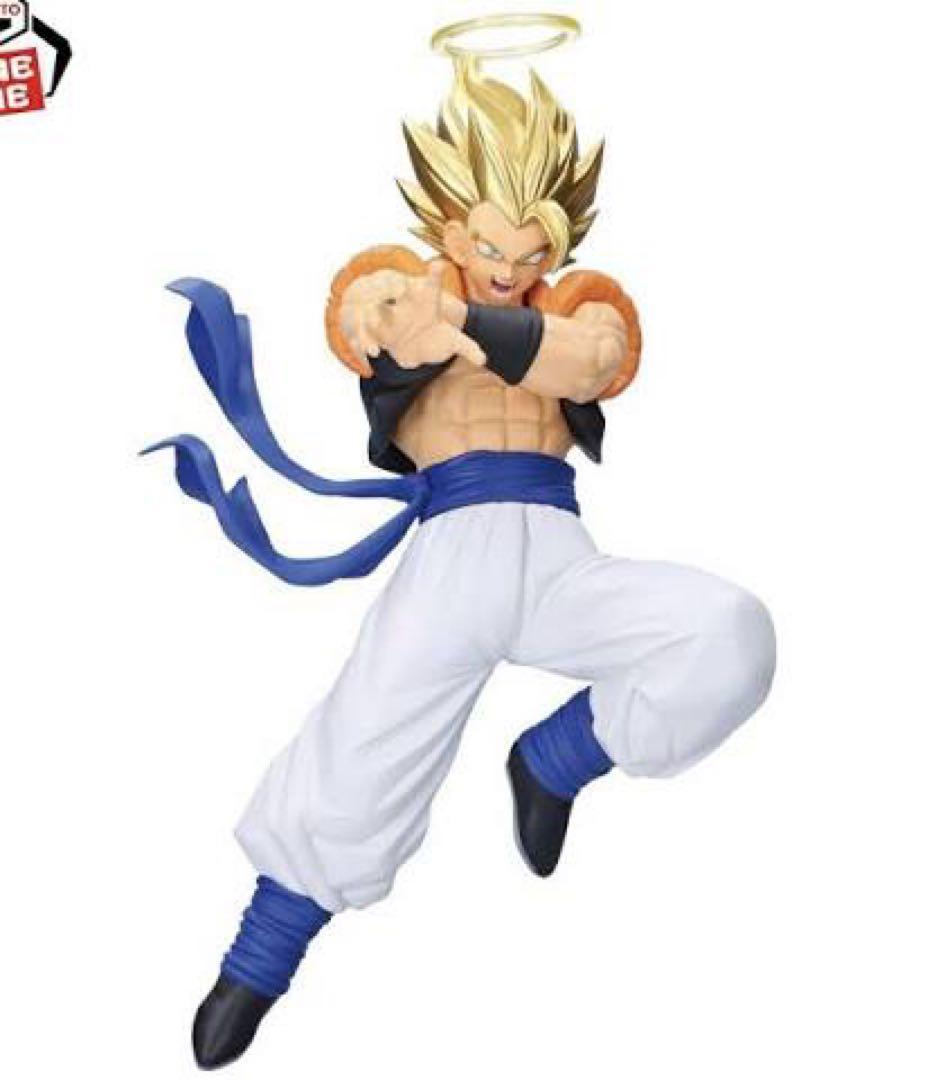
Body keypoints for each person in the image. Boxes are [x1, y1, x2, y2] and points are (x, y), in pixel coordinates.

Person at [148, 40, 775, 1072]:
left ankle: (558, 758)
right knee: (362, 745)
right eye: (490, 244)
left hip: (560, 558)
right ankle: (260, 959)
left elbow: (592, 362)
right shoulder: (397, 279)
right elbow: (372, 321)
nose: (511, 266)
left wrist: (470, 324)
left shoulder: (582, 301)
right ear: (450, 225)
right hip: (450, 555)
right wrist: (407, 315)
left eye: (533, 247)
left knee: (728, 632)